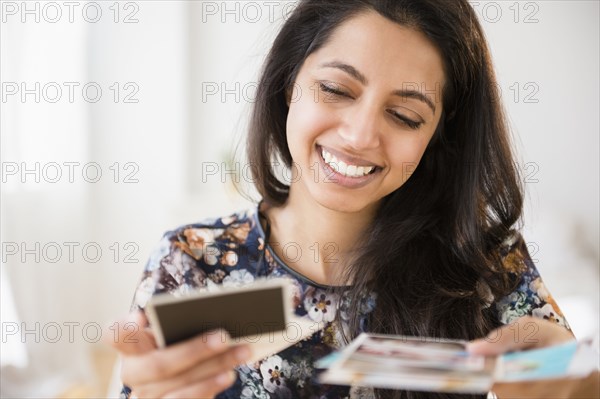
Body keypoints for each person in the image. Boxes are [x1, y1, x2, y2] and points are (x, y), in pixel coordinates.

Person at [109, 1, 575, 398]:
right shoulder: (193, 261)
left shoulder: (481, 260)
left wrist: (566, 375)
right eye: (335, 89)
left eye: (405, 115)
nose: (359, 136)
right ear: (289, 83)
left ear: (437, 135)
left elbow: (567, 374)